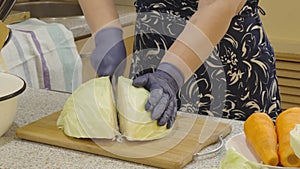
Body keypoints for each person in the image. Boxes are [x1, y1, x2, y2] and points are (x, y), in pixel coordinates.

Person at [78, 0, 281, 129]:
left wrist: (170, 74)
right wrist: (105, 32)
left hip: (228, 66)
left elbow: (218, 4)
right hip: (150, 58)